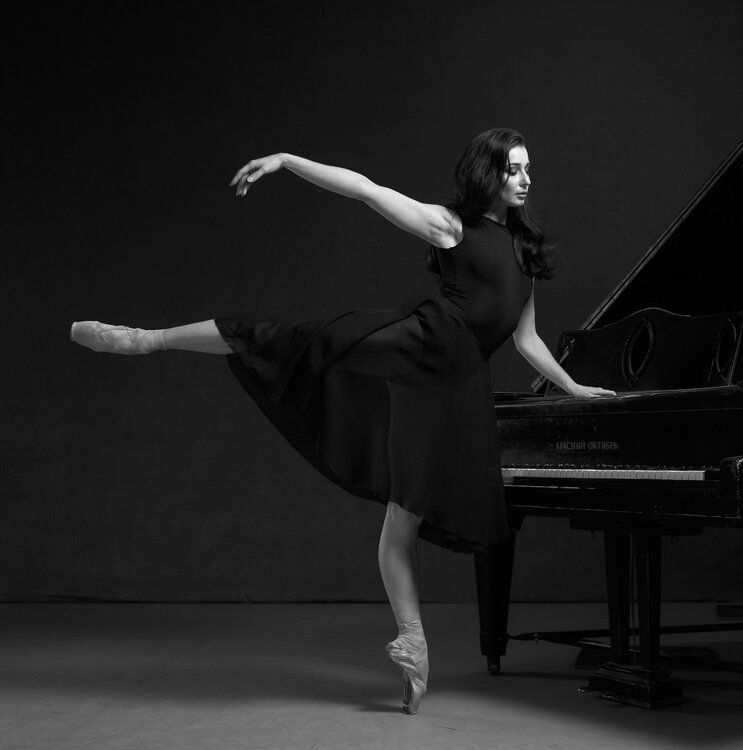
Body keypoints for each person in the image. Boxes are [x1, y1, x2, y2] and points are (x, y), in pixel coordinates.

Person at [70, 128, 617, 714]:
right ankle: (146, 339)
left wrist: (572, 386)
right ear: (490, 173)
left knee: (403, 515)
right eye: (514, 169)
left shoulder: (523, 254)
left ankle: (413, 645)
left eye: (528, 168)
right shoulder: (451, 226)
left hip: (452, 391)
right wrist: (287, 160)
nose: (526, 179)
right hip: (418, 345)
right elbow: (365, 189)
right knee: (284, 339)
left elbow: (527, 340)